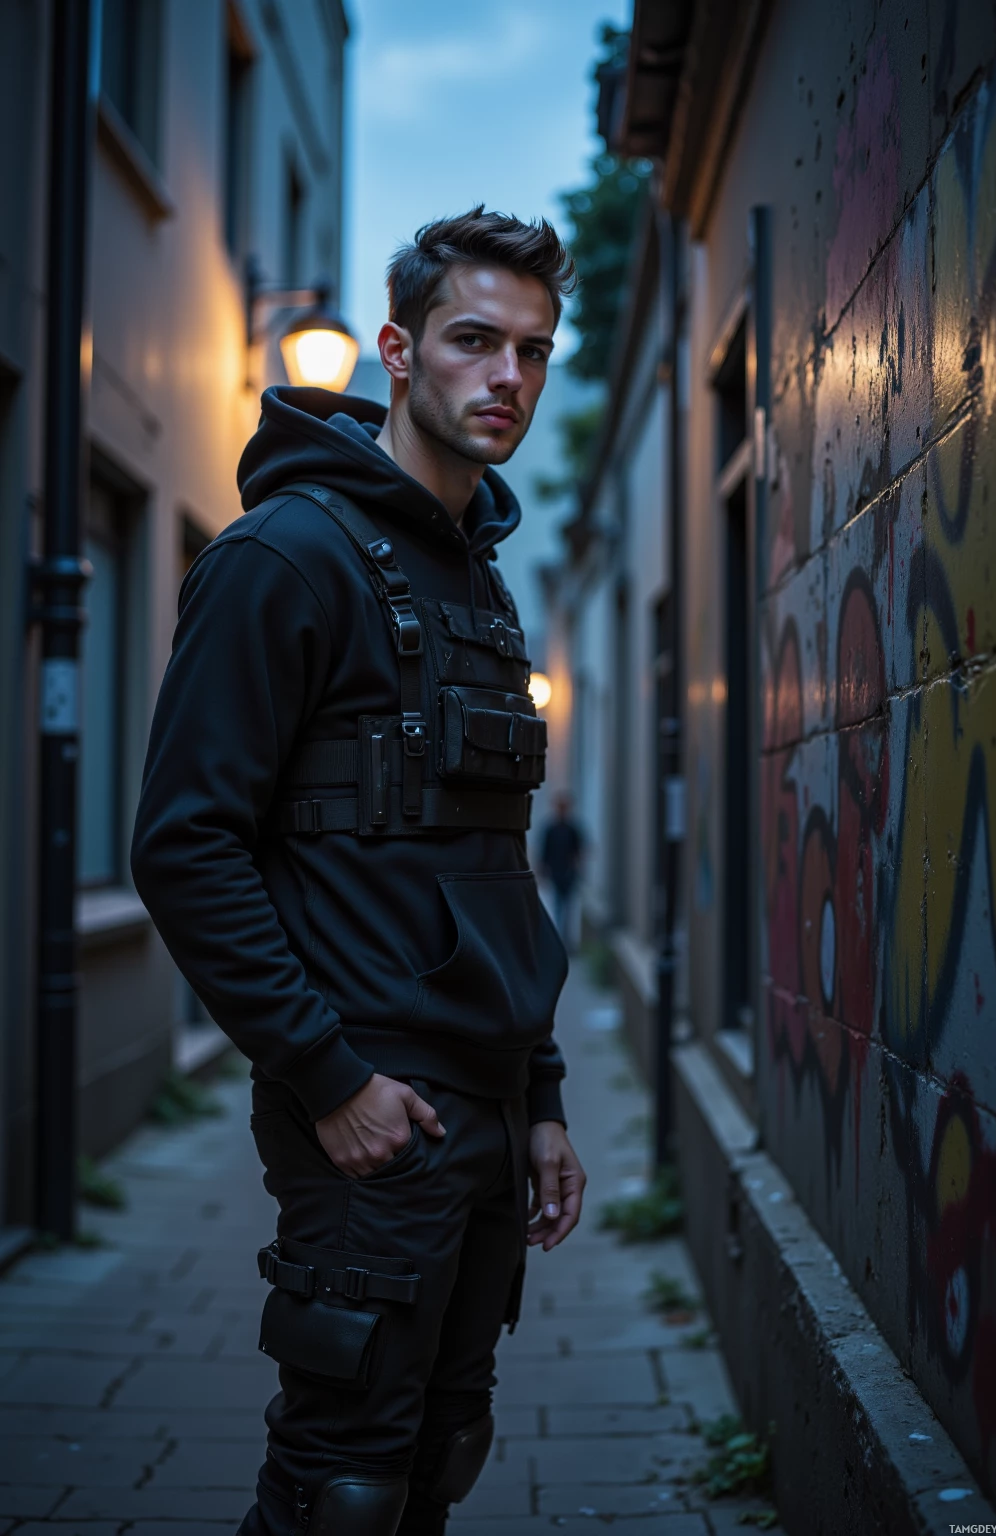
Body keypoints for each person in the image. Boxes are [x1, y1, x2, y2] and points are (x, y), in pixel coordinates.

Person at [131, 209, 587, 1536]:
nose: (508, 376)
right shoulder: (283, 561)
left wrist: (542, 1096)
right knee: (342, 1483)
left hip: (489, 1116)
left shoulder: (481, 587)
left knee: (440, 1457)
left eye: (535, 351)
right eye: (473, 341)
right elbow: (184, 845)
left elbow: (496, 864)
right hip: (373, 1116)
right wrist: (326, 1078)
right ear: (397, 351)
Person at [539, 794, 585, 950]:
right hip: (556, 873)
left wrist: (577, 869)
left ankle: (566, 939)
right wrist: (543, 871)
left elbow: (578, 851)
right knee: (559, 906)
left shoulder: (572, 829)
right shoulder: (550, 829)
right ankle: (560, 940)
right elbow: (544, 852)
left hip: (568, 874)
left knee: (569, 907)